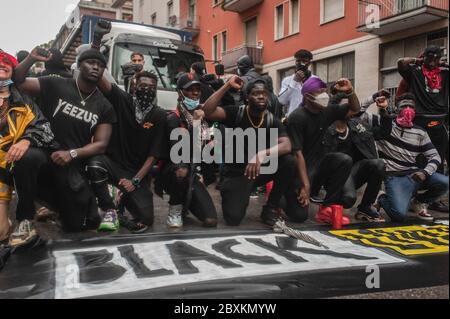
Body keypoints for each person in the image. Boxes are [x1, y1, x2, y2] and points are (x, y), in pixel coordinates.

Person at [11, 47, 117, 242]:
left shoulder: (104, 105)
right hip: (45, 151)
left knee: (78, 224)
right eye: (90, 63)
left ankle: (58, 205)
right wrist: (30, 59)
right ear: (79, 66)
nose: (96, 67)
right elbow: (18, 82)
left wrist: (73, 153)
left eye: (100, 65)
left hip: (70, 163)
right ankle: (24, 219)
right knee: (26, 158)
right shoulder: (55, 84)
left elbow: (101, 144)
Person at [203, 76, 308, 226]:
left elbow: (286, 145)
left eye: (264, 93)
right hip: (237, 174)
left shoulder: (272, 120)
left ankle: (270, 207)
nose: (260, 96)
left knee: (288, 161)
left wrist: (262, 154)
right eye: (255, 93)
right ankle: (233, 192)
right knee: (233, 218)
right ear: (247, 97)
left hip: (259, 171)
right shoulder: (236, 113)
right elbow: (208, 111)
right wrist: (227, 86)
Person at [88, 70, 167, 232]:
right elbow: (102, 80)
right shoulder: (122, 99)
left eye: (152, 87)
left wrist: (135, 181)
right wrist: (95, 54)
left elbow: (154, 154)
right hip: (114, 166)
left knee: (146, 219)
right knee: (95, 163)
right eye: (143, 85)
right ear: (134, 86)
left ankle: (121, 197)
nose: (147, 90)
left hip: (136, 174)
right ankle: (110, 208)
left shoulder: (159, 114)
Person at [0, 51, 57, 245]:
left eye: (6, 62)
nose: (2, 64)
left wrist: (26, 140)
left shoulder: (23, 100)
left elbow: (45, 129)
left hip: (9, 167)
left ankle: (25, 219)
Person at [287, 77, 361, 225]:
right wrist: (305, 185)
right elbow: (297, 153)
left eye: (324, 91)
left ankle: (326, 208)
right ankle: (280, 199)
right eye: (319, 92)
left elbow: (355, 109)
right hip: (296, 170)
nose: (324, 95)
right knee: (299, 216)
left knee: (343, 159)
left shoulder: (327, 111)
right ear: (308, 96)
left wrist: (350, 92)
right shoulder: (297, 117)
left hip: (317, 165)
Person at [370, 93, 448, 222]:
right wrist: (377, 103)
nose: (407, 109)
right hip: (395, 177)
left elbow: (435, 156)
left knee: (445, 182)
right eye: (403, 106)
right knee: (399, 215)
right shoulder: (384, 123)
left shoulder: (420, 132)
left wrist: (425, 171)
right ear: (396, 108)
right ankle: (383, 198)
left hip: (414, 175)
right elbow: (357, 112)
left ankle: (418, 202)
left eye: (410, 106)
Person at [155, 72, 218, 228]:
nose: (195, 93)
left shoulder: (203, 117)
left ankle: (187, 202)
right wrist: (195, 125)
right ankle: (175, 210)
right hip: (175, 170)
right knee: (181, 169)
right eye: (190, 89)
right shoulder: (173, 119)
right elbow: (180, 153)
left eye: (198, 89)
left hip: (195, 172)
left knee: (211, 220)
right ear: (180, 92)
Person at [397, 46, 449, 212]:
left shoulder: (444, 72)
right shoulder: (415, 71)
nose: (433, 62)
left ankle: (431, 199)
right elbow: (401, 63)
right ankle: (411, 195)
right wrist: (419, 61)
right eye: (430, 58)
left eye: (437, 58)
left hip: (439, 121)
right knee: (417, 160)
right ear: (424, 57)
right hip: (419, 121)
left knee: (438, 161)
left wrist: (443, 65)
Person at [322, 93, 386, 222]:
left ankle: (365, 208)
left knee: (379, 164)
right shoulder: (326, 128)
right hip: (334, 176)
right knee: (348, 199)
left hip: (353, 171)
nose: (351, 109)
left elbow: (381, 133)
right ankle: (328, 205)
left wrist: (384, 111)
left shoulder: (356, 123)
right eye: (346, 106)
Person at [278, 49, 316, 116]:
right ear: (295, 62)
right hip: (293, 118)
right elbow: (281, 100)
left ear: (309, 63)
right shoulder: (287, 80)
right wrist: (294, 82)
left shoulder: (315, 79)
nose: (301, 63)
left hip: (311, 119)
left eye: (304, 61)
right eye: (298, 61)